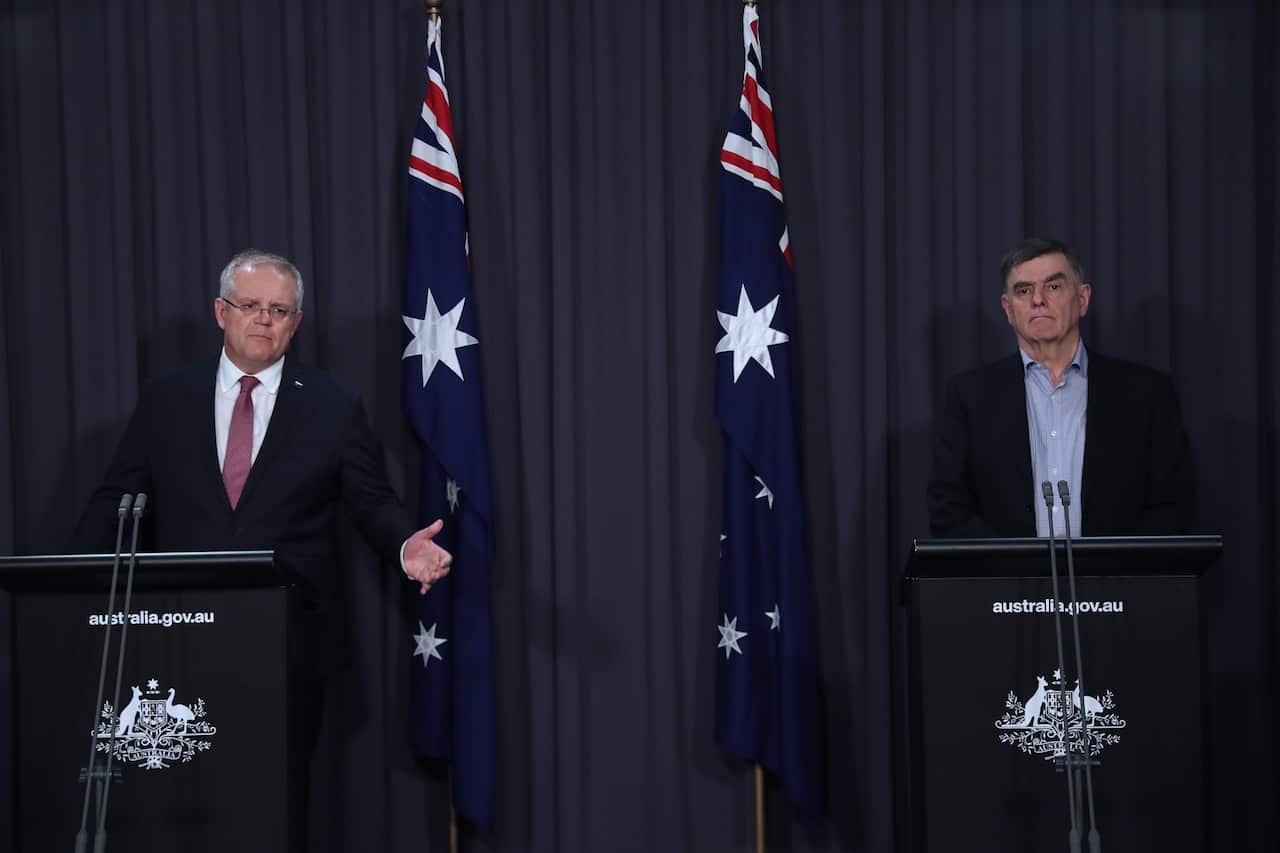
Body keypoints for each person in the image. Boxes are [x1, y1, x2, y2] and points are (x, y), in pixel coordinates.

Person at [75, 248, 451, 663]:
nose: (264, 319)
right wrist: (68, 585)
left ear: (296, 322)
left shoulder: (333, 406)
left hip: (292, 634)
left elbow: (373, 500)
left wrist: (404, 545)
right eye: (249, 305)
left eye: (279, 310)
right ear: (222, 312)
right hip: (179, 626)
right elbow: (116, 503)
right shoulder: (167, 399)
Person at [927, 237, 1195, 537]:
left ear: (1082, 299)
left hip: (1115, 569)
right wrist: (1016, 564)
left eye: (1053, 287)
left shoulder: (1147, 393)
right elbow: (948, 508)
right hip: (1007, 569)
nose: (1038, 300)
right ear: (1008, 309)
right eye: (1024, 290)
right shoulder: (970, 396)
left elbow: (1173, 506)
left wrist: (1108, 564)